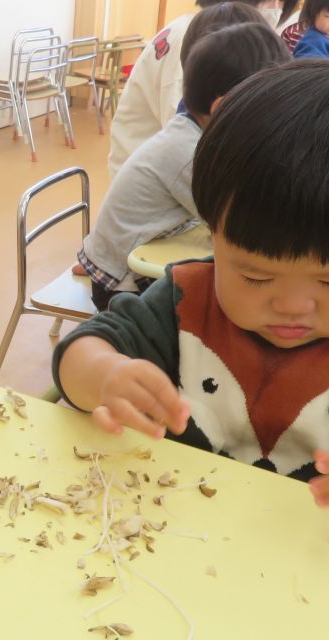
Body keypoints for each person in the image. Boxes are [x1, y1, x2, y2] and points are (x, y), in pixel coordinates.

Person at [54, 59, 329, 508]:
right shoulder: (187, 302)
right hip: (171, 535)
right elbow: (83, 349)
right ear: (211, 231)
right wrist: (106, 376)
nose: (294, 305)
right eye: (255, 276)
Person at [78, 17, 290, 311]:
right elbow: (236, 223)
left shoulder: (197, 132)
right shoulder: (187, 152)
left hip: (142, 256)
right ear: (224, 106)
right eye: (266, 107)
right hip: (122, 286)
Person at [107, 0, 293, 179]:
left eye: (282, 1)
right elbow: (188, 148)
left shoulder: (214, 32)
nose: (276, 9)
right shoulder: (202, 44)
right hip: (152, 178)